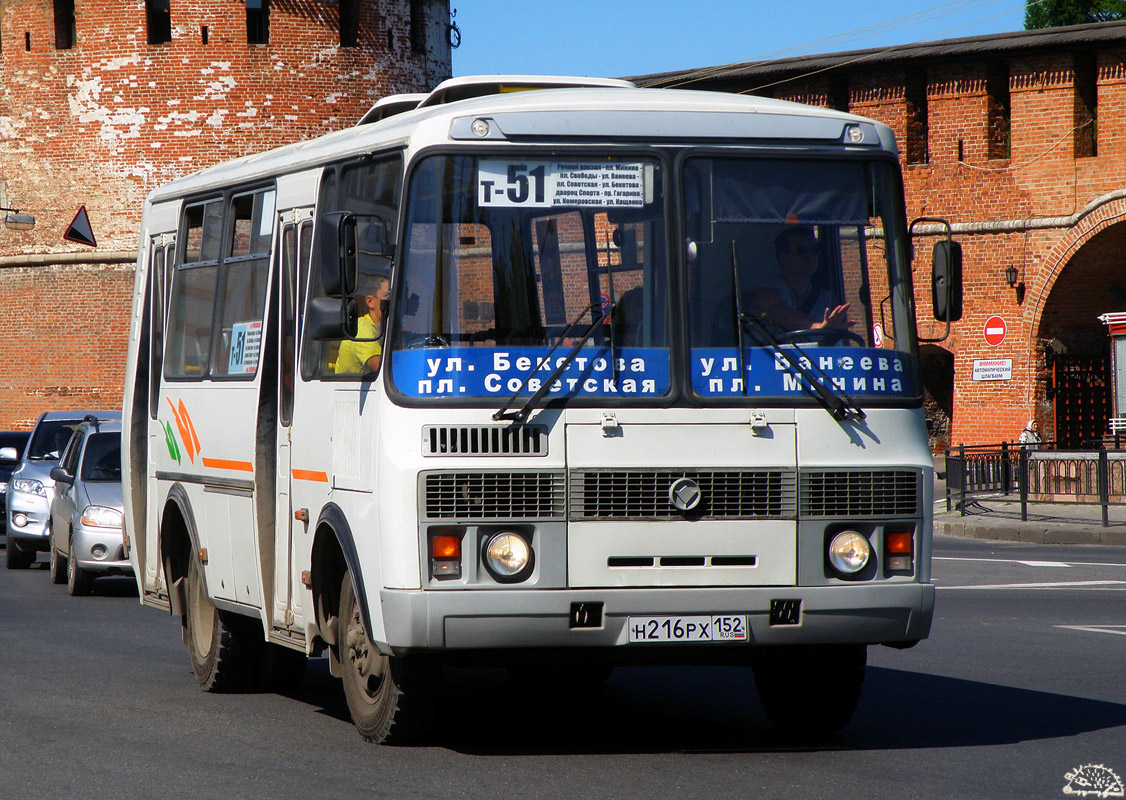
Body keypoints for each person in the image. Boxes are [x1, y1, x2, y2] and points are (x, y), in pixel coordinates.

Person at [749, 226, 851, 332]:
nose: (810, 256)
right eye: (801, 251)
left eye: (814, 250)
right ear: (783, 257)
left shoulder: (826, 298)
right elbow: (788, 318)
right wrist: (819, 327)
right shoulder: (766, 295)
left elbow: (841, 339)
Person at [335, 270, 390, 374]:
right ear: (370, 301)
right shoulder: (362, 329)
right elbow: (381, 367)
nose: (393, 303)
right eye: (388, 296)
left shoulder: (383, 329)